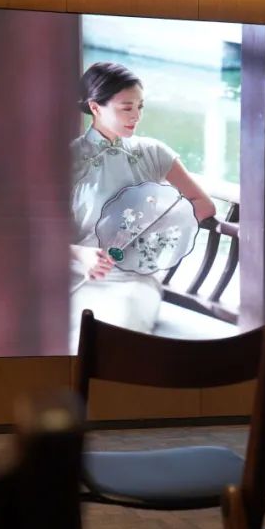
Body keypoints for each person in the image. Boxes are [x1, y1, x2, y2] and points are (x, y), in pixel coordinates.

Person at [69, 62, 216, 349]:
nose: (136, 116)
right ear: (95, 107)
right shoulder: (68, 158)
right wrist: (82, 255)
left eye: (140, 106)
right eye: (126, 108)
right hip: (76, 272)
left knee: (116, 330)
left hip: (132, 278)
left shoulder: (152, 152)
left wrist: (158, 229)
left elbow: (203, 204)